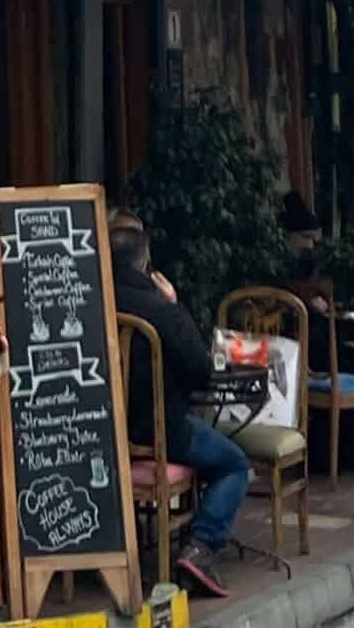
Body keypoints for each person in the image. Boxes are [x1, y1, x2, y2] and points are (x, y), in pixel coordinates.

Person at [110, 218, 251, 600]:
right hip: (160, 433)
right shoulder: (161, 309)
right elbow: (201, 370)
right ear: (144, 264)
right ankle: (200, 547)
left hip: (97, 434)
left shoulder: (87, 305)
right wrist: (174, 305)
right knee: (235, 463)